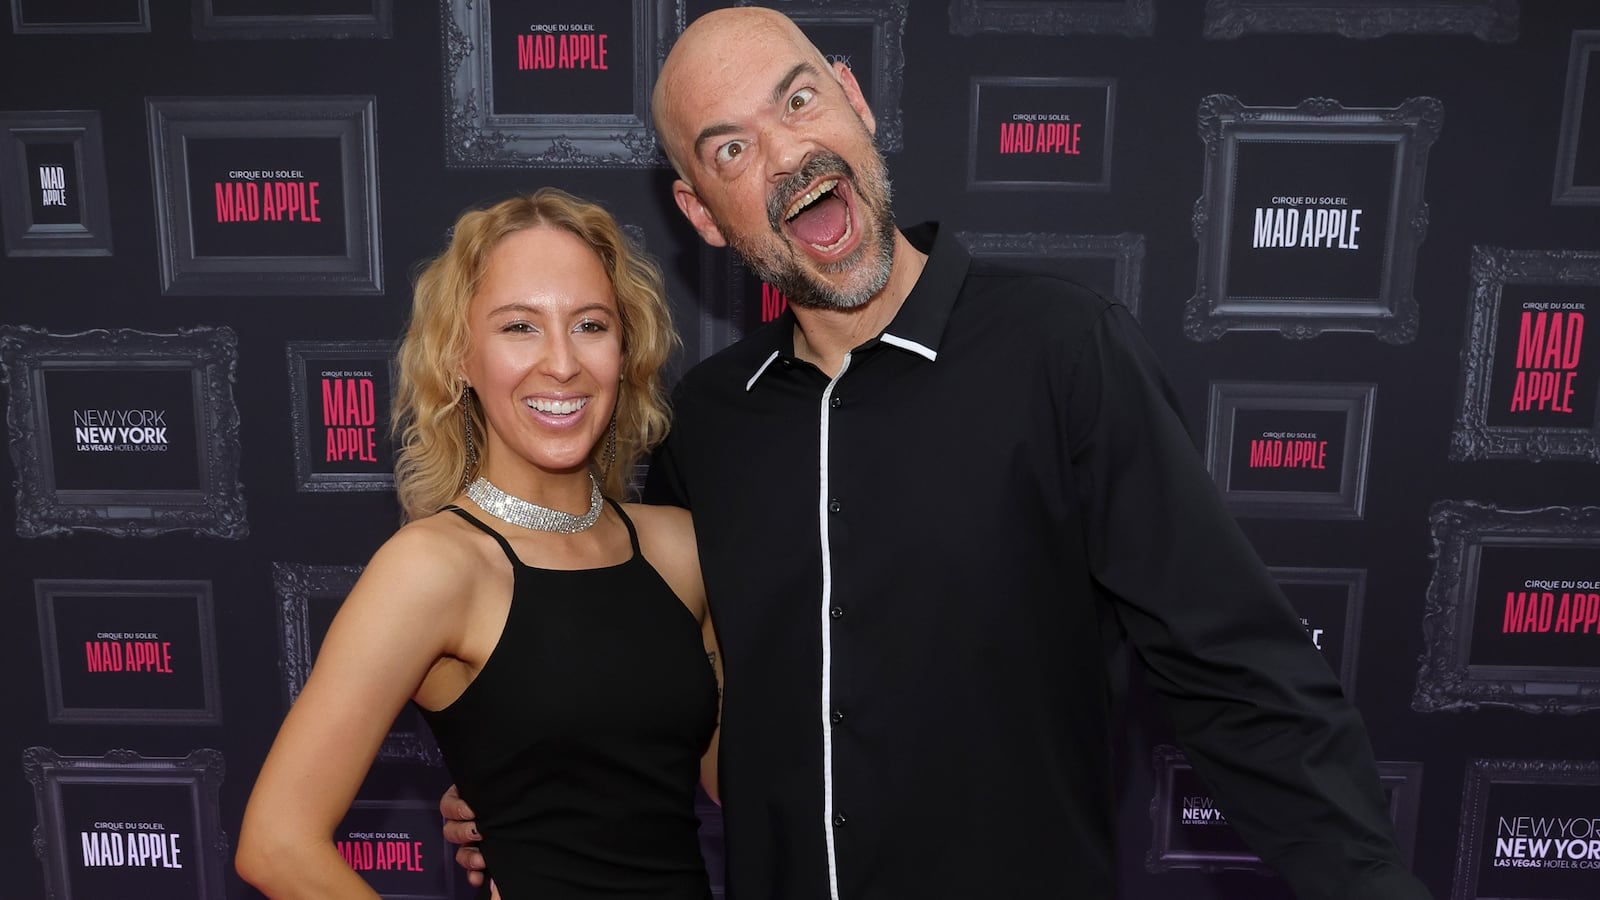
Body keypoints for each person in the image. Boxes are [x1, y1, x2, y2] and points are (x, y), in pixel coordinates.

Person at [444, 7, 1435, 899]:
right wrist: (532, 784)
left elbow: (1235, 669)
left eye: (798, 100)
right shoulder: (710, 420)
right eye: (733, 149)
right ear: (703, 213)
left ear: (855, 100)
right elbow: (660, 688)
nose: (788, 152)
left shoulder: (1061, 350)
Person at [237, 188, 722, 899]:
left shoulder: (680, 549)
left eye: (590, 324)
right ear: (461, 357)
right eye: (519, 327)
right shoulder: (433, 568)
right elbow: (275, 844)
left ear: (625, 350)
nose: (561, 363)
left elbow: (734, 780)